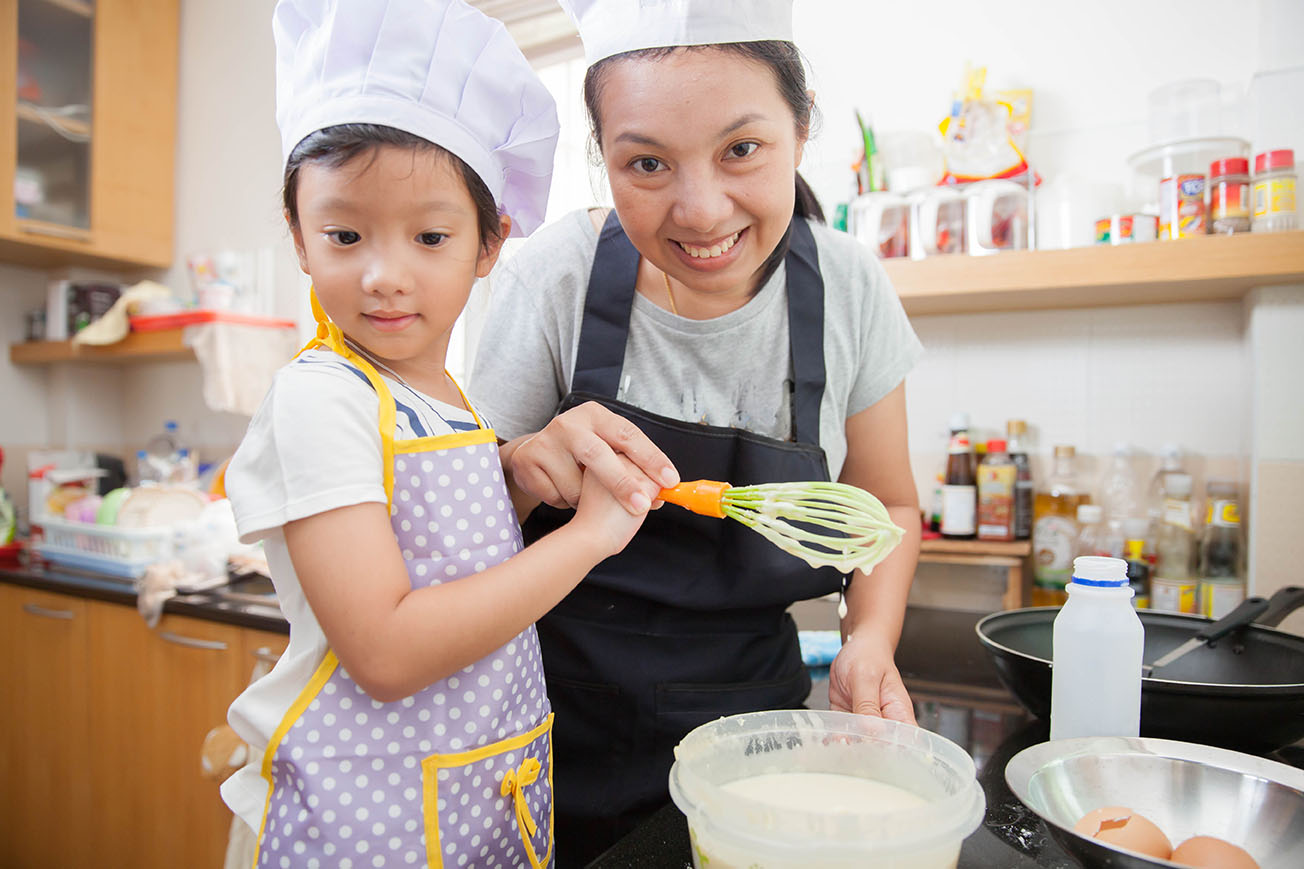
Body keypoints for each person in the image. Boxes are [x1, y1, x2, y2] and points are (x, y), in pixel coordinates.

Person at [469, 0, 925, 861]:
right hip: (545, 724)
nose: (702, 210)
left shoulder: (850, 288)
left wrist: (871, 636)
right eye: (646, 163)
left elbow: (889, 503)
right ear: (602, 159)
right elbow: (459, 530)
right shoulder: (555, 279)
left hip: (757, 738)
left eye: (741, 150)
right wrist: (526, 467)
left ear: (801, 125)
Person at [219, 1, 650, 865]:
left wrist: (519, 473)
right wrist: (591, 538)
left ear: (490, 243)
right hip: (359, 821)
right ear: (300, 236)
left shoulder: (441, 392)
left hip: (473, 794)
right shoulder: (321, 396)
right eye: (344, 233)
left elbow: (439, 542)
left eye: (430, 235)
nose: (385, 274)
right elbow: (385, 648)